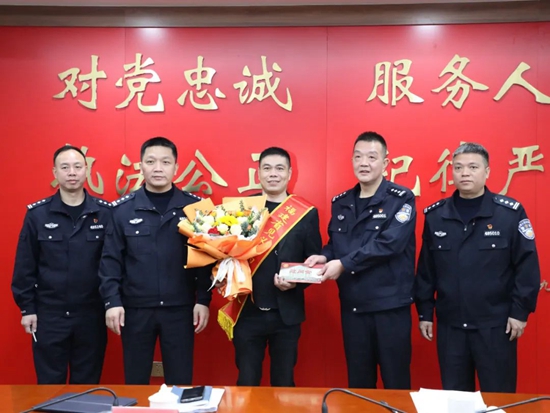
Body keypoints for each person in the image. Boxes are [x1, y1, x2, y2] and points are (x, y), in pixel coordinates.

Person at [415, 142, 540, 393]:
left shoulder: (509, 213)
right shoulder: (436, 216)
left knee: (498, 398)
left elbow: (527, 266)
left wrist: (520, 312)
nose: (465, 173)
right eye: (458, 167)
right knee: (455, 400)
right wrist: (425, 312)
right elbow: (426, 270)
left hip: (496, 326)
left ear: (487, 172)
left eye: (473, 167)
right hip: (451, 327)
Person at [305, 131, 416, 389]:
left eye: (371, 157)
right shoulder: (342, 202)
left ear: (385, 163)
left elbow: (389, 244)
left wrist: (343, 264)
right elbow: (336, 244)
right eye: (358, 157)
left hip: (390, 308)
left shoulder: (401, 199)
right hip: (353, 308)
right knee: (359, 385)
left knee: (396, 384)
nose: (364, 163)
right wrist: (324, 256)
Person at [98, 136, 211, 385]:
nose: (158, 168)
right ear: (141, 166)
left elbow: (205, 260)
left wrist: (203, 300)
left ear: (176, 168)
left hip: (180, 309)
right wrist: (112, 302)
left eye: (165, 162)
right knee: (135, 381)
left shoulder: (195, 209)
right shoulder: (122, 210)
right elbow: (110, 261)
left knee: (180, 382)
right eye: (150, 162)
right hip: (135, 310)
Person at [11, 145, 111, 384]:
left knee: (87, 386)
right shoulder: (38, 215)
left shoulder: (105, 213)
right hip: (49, 315)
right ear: (55, 173)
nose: (72, 172)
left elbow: (113, 265)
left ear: (86, 170)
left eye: (77, 166)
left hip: (91, 315)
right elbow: (25, 265)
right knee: (49, 386)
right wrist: (27, 308)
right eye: (65, 167)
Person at [226, 147, 322, 386]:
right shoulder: (241, 209)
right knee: (247, 382)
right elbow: (225, 254)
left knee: (284, 383)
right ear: (258, 173)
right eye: (267, 168)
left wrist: (295, 283)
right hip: (247, 312)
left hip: (286, 315)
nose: (273, 174)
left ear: (289, 173)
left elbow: (314, 262)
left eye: (280, 168)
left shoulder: (305, 213)